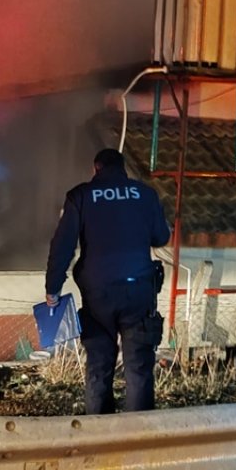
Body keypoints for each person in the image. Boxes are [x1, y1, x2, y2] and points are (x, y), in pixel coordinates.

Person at [45, 148, 170, 414]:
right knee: (138, 366)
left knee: (99, 366)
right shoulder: (145, 194)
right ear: (123, 169)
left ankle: (99, 430)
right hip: (138, 291)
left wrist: (53, 288)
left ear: (96, 168)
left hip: (97, 294)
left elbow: (62, 246)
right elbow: (161, 237)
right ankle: (140, 431)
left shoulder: (80, 196)